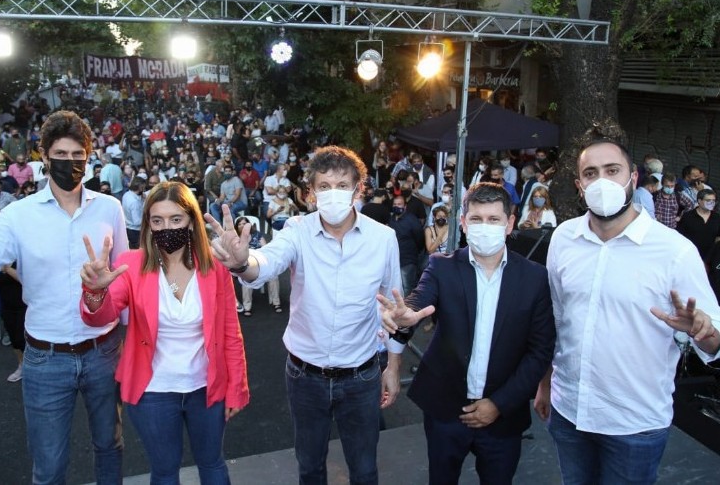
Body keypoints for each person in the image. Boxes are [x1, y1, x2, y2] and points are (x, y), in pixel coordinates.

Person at [0, 110, 128, 484]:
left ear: (88, 158)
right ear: (44, 156)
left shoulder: (110, 208)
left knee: (111, 447)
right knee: (49, 465)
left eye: (77, 156)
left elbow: (123, 279)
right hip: (46, 359)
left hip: (104, 352)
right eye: (61, 155)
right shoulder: (17, 216)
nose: (69, 163)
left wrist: (131, 337)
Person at [205, 145, 404, 485]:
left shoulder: (384, 239)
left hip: (362, 377)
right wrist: (242, 263)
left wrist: (394, 366)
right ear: (310, 193)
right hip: (305, 377)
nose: (333, 194)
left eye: (342, 185)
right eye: (324, 186)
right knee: (310, 468)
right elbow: (266, 262)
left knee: (365, 469)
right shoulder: (297, 230)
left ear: (359, 189)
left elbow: (393, 306)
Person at [534, 138, 720, 485]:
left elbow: (714, 340)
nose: (601, 181)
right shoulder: (563, 238)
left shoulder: (674, 251)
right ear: (579, 185)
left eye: (612, 170)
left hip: (635, 424)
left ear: (632, 178)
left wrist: (702, 332)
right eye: (591, 173)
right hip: (569, 411)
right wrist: (544, 385)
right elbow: (556, 319)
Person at [378, 183, 555, 485]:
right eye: (476, 219)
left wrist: (498, 404)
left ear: (509, 223)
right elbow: (418, 302)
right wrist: (405, 316)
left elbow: (539, 351)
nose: (484, 226)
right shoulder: (441, 267)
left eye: (493, 219)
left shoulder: (535, 278)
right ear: (462, 222)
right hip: (446, 409)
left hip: (503, 416)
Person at [80, 181, 249, 484]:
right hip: (152, 392)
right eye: (157, 221)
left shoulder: (214, 266)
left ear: (190, 221)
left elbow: (229, 333)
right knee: (165, 472)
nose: (166, 227)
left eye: (175, 219)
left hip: (205, 389)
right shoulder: (130, 265)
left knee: (212, 465)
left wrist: (237, 387)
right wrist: (95, 292)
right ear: (147, 224)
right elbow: (102, 316)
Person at [234, 216, 281, 316]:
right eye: (240, 224)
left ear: (249, 225)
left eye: (244, 223)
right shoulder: (236, 238)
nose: (242, 226)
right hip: (246, 262)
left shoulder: (257, 234)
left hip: (260, 259)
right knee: (246, 277)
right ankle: (247, 306)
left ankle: (276, 302)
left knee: (273, 275)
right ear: (236, 227)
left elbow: (265, 247)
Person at [677, 189, 720, 262]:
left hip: (709, 260)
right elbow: (679, 236)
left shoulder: (717, 218)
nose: (711, 203)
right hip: (689, 257)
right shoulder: (688, 216)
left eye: (713, 201)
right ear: (699, 201)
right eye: (708, 200)